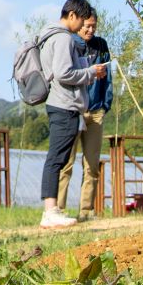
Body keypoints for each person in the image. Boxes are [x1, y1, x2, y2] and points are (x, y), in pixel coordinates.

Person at [38, 0, 105, 228]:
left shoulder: (49, 35)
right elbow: (64, 73)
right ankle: (50, 211)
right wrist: (90, 73)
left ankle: (53, 208)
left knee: (58, 159)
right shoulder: (64, 39)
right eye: (82, 20)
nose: (83, 26)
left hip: (58, 103)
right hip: (64, 104)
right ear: (72, 16)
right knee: (57, 159)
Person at [56, 13, 112, 218]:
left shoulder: (101, 45)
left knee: (92, 165)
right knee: (65, 163)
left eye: (94, 26)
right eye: (87, 26)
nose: (90, 30)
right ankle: (59, 209)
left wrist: (105, 104)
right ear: (78, 24)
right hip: (73, 110)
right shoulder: (68, 42)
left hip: (96, 110)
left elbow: (108, 77)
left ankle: (86, 211)